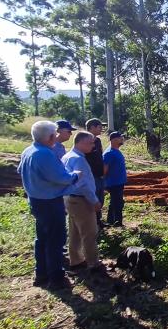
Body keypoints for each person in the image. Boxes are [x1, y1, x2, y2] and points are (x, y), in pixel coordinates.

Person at [17, 120, 81, 290]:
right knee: (55, 240)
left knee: (42, 238)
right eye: (55, 134)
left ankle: (42, 274)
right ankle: (57, 278)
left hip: (36, 201)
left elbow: (20, 171)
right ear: (50, 136)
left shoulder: (28, 151)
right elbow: (61, 177)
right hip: (50, 202)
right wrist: (75, 175)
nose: (56, 136)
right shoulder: (45, 154)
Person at [62, 131, 105, 274]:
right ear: (80, 143)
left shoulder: (68, 156)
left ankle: (76, 261)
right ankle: (93, 263)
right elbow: (83, 184)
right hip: (81, 200)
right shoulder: (79, 159)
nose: (93, 145)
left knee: (75, 232)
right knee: (90, 232)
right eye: (90, 142)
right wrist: (94, 200)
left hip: (70, 199)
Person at [84, 118, 107, 229]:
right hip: (91, 175)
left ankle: (98, 221)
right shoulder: (83, 140)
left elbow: (99, 157)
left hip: (99, 174)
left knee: (100, 199)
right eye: (99, 127)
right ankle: (92, 223)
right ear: (92, 127)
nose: (101, 129)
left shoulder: (97, 141)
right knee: (92, 199)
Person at [103, 131, 128, 226]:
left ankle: (111, 221)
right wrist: (103, 184)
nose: (122, 139)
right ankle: (117, 224)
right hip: (113, 183)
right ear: (113, 140)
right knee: (117, 203)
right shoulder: (109, 153)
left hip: (118, 182)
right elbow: (104, 169)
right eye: (120, 137)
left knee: (115, 203)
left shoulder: (116, 150)